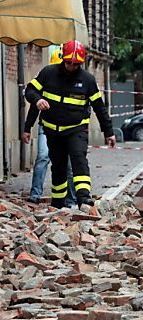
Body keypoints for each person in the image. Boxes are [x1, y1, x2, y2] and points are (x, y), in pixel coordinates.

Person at [24, 40, 116, 209]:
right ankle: (58, 204)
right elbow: (30, 90)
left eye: (75, 64)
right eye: (68, 63)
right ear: (62, 59)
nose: (71, 67)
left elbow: (99, 108)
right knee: (58, 167)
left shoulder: (87, 80)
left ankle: (84, 199)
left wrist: (108, 132)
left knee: (79, 160)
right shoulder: (48, 73)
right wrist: (37, 101)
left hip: (76, 128)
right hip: (52, 130)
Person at [23, 48, 76, 206]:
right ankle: (35, 193)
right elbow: (35, 105)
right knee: (43, 157)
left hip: (67, 129)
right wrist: (27, 128)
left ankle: (70, 199)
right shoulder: (47, 80)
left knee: (67, 163)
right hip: (46, 127)